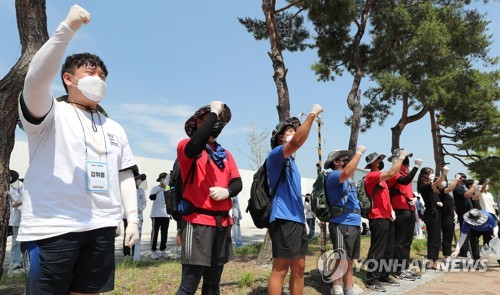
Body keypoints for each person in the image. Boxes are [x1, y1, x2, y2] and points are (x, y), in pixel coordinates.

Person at [17, 5, 139, 294]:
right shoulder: (50, 113)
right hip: (52, 229)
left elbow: (124, 175)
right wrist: (67, 29)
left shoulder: (114, 128)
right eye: (90, 72)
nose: (99, 78)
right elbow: (34, 80)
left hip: (101, 228)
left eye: (103, 75)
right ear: (68, 79)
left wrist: (131, 218)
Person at [176, 101, 243, 295]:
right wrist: (213, 111)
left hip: (222, 223)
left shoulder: (225, 154)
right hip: (197, 222)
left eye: (220, 121)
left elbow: (237, 182)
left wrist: (227, 191)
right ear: (198, 121)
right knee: (189, 285)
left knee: (213, 284)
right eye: (211, 119)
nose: (216, 123)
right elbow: (196, 144)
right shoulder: (186, 146)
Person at [267, 104, 324, 295]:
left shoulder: (292, 162)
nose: (293, 133)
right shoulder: (276, 155)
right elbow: (298, 141)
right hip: (283, 218)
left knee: (299, 267)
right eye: (289, 131)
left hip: (297, 220)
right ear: (279, 138)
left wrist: (303, 221)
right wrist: (312, 115)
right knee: (281, 269)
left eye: (294, 130)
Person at [363, 150, 410, 292]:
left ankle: (384, 275)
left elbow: (385, 198)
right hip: (377, 217)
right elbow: (391, 173)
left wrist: (391, 211)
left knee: (388, 249)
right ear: (372, 163)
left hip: (386, 216)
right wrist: (401, 157)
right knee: (378, 250)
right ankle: (372, 279)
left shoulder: (381, 181)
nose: (381, 161)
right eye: (378, 160)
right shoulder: (371, 176)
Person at [324, 146, 366, 295]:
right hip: (340, 222)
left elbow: (354, 201)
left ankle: (348, 288)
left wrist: (359, 221)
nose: (347, 160)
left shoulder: (349, 181)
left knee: (350, 259)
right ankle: (336, 288)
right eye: (343, 158)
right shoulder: (334, 176)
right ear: (336, 162)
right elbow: (347, 171)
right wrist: (359, 153)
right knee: (341, 257)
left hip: (353, 222)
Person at [386, 148, 422, 281]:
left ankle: (405, 267)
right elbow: (405, 181)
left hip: (409, 210)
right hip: (400, 210)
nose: (408, 166)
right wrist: (417, 167)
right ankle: (399, 269)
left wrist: (414, 198)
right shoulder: (395, 174)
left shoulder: (404, 174)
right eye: (407, 163)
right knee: (400, 242)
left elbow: (406, 189)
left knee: (407, 241)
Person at [417, 166, 449, 269]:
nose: (432, 175)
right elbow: (435, 183)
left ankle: (433, 260)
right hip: (431, 213)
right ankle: (433, 261)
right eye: (430, 173)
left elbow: (438, 185)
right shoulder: (423, 185)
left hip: (436, 212)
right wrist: (443, 174)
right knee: (434, 238)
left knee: (436, 237)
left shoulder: (432, 186)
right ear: (425, 175)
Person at [453, 173, 478, 257]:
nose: (464, 179)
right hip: (464, 213)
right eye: (463, 178)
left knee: (471, 233)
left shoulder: (463, 188)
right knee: (465, 232)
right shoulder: (457, 187)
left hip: (469, 213)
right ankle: (464, 251)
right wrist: (474, 185)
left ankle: (469, 250)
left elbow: (472, 196)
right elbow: (467, 194)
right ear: (459, 179)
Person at [123, 172, 147, 260]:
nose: (140, 181)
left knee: (137, 236)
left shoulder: (141, 191)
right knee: (128, 234)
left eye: (141, 180)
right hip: (128, 216)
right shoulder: (128, 189)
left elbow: (144, 202)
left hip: (139, 216)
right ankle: (126, 254)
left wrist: (140, 208)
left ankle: (135, 255)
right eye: (139, 179)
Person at [149, 172, 171, 260]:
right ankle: (153, 251)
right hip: (156, 214)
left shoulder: (169, 188)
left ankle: (163, 250)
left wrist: (168, 187)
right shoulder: (155, 188)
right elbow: (152, 197)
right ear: (160, 180)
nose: (164, 181)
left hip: (166, 214)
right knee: (155, 233)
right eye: (163, 179)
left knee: (164, 233)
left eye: (166, 179)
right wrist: (160, 189)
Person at [437, 176, 459, 259]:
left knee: (449, 236)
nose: (444, 182)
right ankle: (446, 255)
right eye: (441, 180)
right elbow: (450, 188)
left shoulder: (447, 194)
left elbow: (451, 205)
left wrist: (454, 213)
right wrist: (456, 179)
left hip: (450, 216)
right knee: (447, 236)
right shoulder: (441, 191)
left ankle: (447, 254)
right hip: (445, 217)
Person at [8, 170, 23, 273]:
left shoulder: (21, 185)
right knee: (15, 242)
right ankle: (15, 261)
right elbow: (15, 202)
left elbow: (19, 201)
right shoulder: (8, 187)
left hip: (22, 218)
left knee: (19, 241)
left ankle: (19, 261)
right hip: (14, 218)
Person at [478, 178, 496, 246]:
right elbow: (482, 189)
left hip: (492, 214)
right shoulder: (480, 193)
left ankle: (492, 247)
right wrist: (485, 183)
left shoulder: (489, 194)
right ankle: (486, 246)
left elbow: (493, 205)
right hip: (485, 214)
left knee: (493, 232)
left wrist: (495, 215)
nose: (487, 186)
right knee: (486, 232)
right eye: (485, 185)